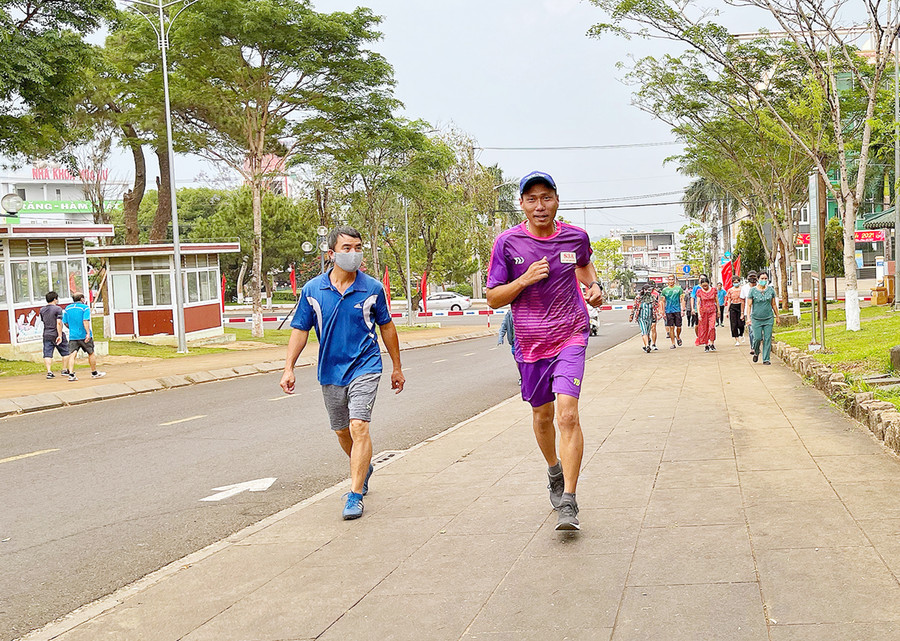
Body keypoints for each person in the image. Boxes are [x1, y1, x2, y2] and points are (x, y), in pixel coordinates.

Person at [486, 170, 604, 531]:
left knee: (567, 415)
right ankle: (554, 469)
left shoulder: (575, 237)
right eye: (532, 199)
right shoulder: (506, 243)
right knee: (542, 416)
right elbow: (493, 298)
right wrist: (523, 280)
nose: (540, 205)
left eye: (547, 197)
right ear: (522, 204)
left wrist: (595, 285)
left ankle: (569, 499)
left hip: (571, 332)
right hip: (530, 342)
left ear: (557, 200)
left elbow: (583, 265)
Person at [280, 226, 405, 520]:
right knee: (341, 430)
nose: (354, 254)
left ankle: (355, 493)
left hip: (366, 364)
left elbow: (386, 326)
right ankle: (363, 467)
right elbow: (300, 329)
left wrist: (397, 367)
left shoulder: (372, 287)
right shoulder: (313, 290)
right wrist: (289, 368)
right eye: (347, 248)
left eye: (358, 247)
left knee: (359, 425)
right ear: (331, 253)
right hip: (330, 370)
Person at [62, 293, 105, 381]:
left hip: (73, 336)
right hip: (83, 335)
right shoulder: (85, 308)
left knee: (72, 354)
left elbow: (65, 322)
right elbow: (85, 320)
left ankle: (71, 374)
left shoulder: (67, 309)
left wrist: (72, 328)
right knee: (91, 352)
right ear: (81, 299)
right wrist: (87, 333)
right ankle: (94, 372)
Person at [746, 270, 780, 365]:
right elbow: (749, 306)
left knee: (767, 338)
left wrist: (777, 316)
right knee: (757, 338)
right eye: (762, 278)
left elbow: (773, 304)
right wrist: (748, 318)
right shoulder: (752, 291)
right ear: (758, 279)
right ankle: (756, 351)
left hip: (768, 318)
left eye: (765, 279)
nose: (764, 280)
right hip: (756, 319)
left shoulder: (771, 290)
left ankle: (766, 359)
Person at [39, 291, 73, 379]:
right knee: (65, 351)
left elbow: (43, 321)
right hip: (56, 333)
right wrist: (60, 335)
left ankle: (49, 371)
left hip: (46, 333)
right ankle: (64, 369)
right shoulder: (58, 309)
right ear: (55, 299)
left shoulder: (42, 310)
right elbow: (58, 322)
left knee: (47, 353)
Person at [660, 274, 686, 348]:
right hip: (669, 311)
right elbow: (662, 301)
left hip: (677, 310)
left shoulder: (679, 289)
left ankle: (678, 336)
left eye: (672, 279)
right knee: (671, 327)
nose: (671, 281)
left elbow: (682, 299)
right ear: (667, 281)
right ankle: (673, 343)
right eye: (669, 279)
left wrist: (683, 309)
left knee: (679, 327)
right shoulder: (665, 290)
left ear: (674, 280)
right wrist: (662, 311)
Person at [630, 284, 658, 353]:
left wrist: (657, 315)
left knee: (648, 332)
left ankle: (647, 342)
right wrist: (631, 315)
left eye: (649, 290)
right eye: (646, 290)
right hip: (641, 318)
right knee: (644, 331)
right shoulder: (639, 298)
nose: (647, 291)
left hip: (650, 318)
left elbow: (656, 307)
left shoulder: (653, 298)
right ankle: (647, 346)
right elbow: (634, 307)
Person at [696, 277, 719, 351]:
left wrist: (718, 311)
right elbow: (698, 303)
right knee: (704, 328)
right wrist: (699, 314)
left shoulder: (713, 290)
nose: (705, 287)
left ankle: (712, 343)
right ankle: (706, 344)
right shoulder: (699, 291)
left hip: (712, 311)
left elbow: (717, 301)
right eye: (703, 286)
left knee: (712, 327)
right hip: (703, 312)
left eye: (706, 285)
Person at [741, 271, 758, 354]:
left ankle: (757, 345)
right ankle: (753, 347)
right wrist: (742, 313)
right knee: (751, 330)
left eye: (754, 277)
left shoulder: (761, 287)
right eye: (750, 277)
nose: (752, 279)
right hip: (748, 313)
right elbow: (743, 301)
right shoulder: (744, 288)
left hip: (759, 312)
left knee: (758, 332)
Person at [725, 280, 745, 345]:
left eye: (737, 282)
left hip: (741, 306)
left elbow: (744, 299)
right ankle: (736, 339)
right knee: (734, 324)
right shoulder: (730, 290)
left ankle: (741, 333)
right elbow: (729, 300)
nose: (736, 283)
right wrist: (727, 311)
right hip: (733, 306)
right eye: (734, 282)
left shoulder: (742, 289)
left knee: (741, 323)